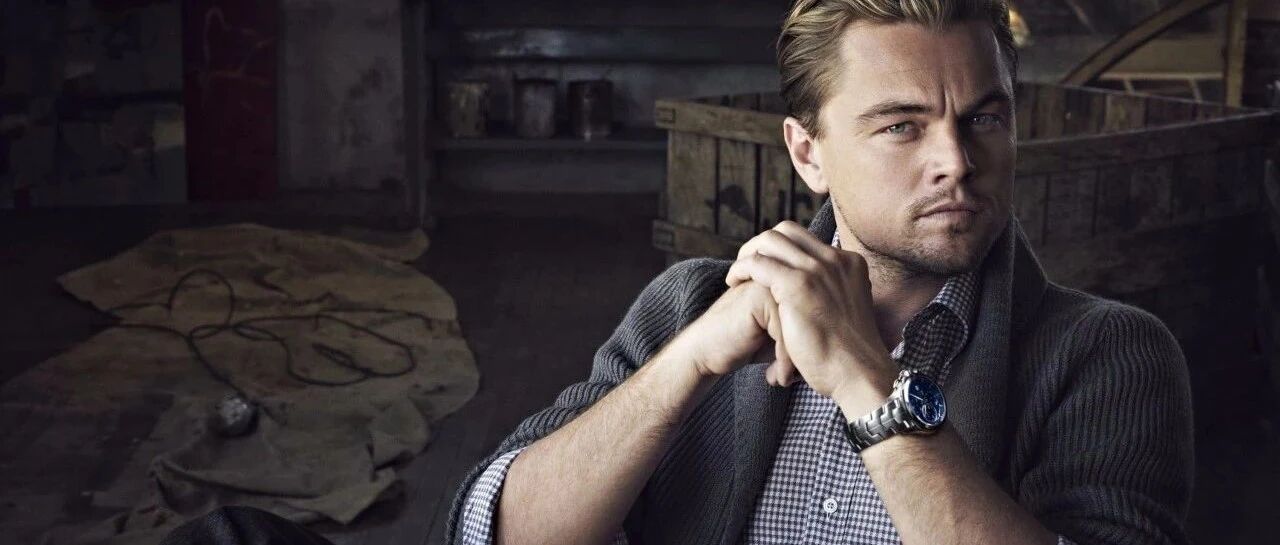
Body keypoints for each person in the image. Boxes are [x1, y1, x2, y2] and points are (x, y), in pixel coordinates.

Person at [448, 1, 1193, 545]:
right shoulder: (690, 306)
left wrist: (868, 382)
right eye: (901, 126)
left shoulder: (1108, 352)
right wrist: (687, 364)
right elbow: (494, 529)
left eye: (984, 119)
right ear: (808, 154)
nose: (957, 161)